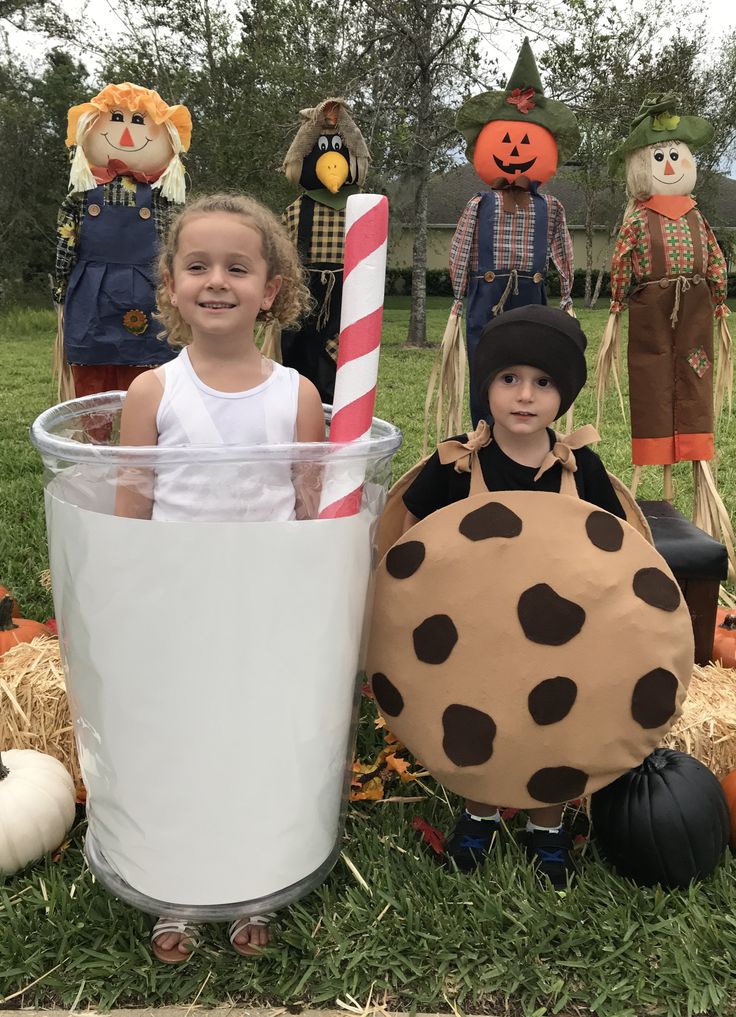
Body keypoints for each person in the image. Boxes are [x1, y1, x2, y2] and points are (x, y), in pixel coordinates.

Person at [116, 192, 324, 960]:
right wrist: (126, 605)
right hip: (177, 612)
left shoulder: (296, 396)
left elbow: (308, 513)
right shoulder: (153, 393)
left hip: (262, 614)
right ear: (170, 282)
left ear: (271, 289)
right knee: (180, 746)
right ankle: (174, 885)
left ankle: (252, 881)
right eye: (197, 265)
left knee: (254, 747)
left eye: (238, 267)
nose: (216, 281)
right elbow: (129, 512)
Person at [401, 305, 625, 888]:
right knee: (478, 719)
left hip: (560, 634)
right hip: (474, 632)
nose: (524, 396)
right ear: (487, 387)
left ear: (563, 396)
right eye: (509, 379)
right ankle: (480, 811)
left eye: (543, 383)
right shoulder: (457, 463)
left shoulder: (581, 468)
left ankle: (546, 826)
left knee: (554, 724)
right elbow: (411, 543)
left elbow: (616, 556)